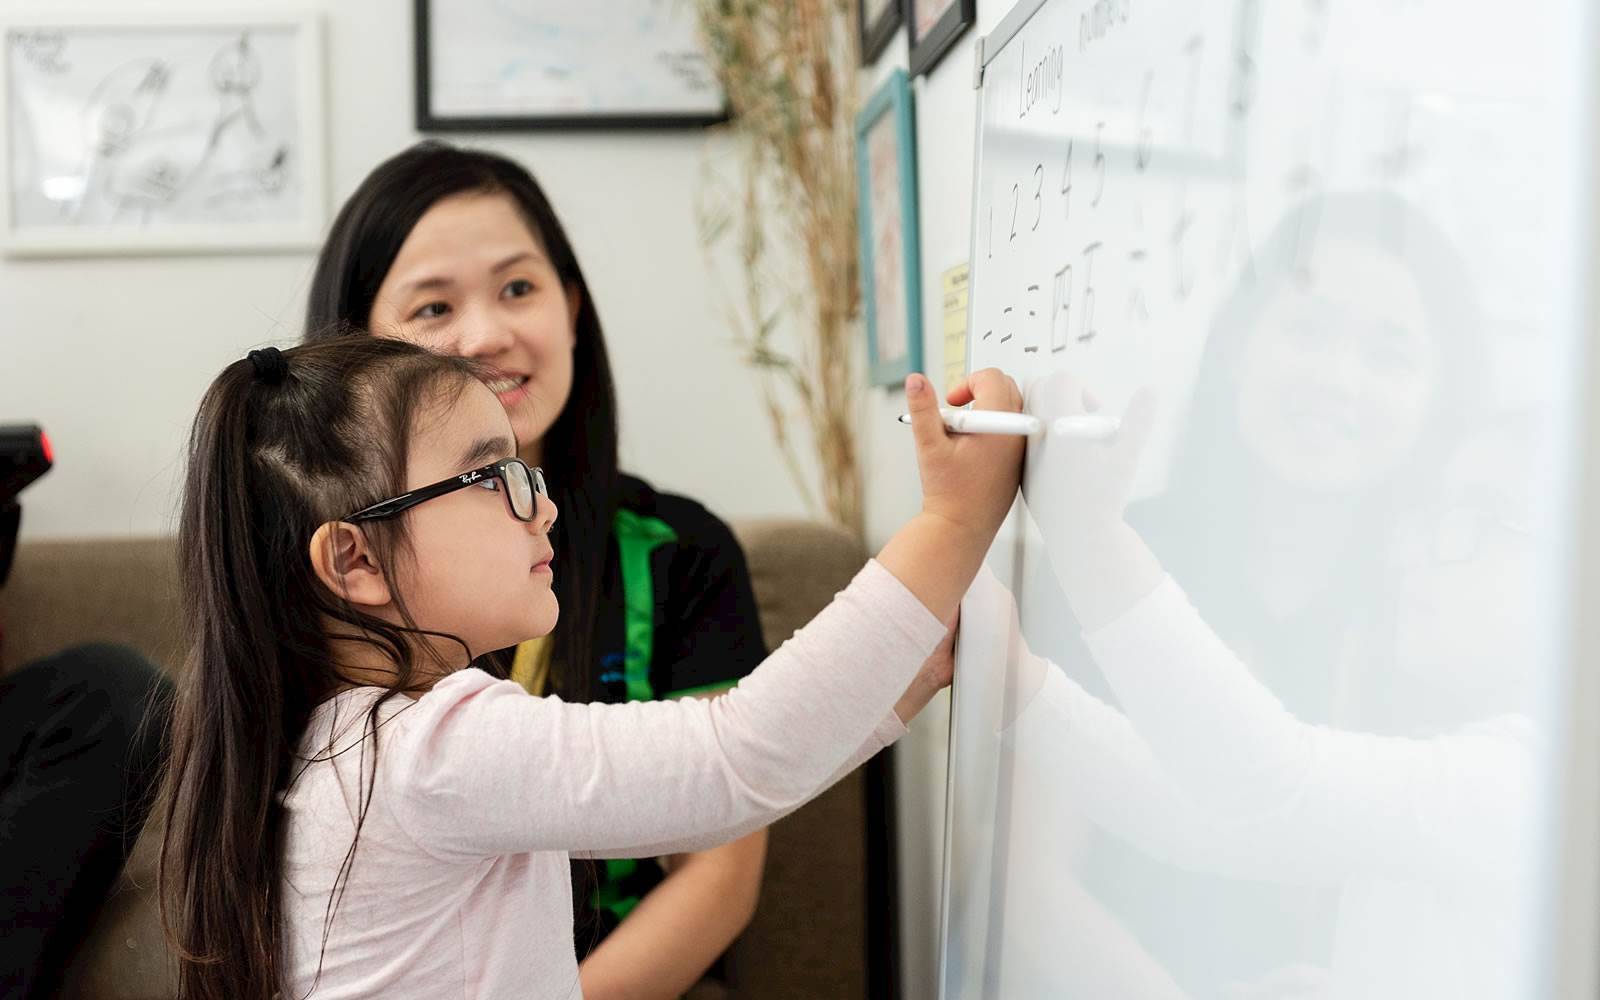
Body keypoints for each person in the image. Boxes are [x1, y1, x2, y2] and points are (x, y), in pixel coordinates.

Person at [155, 336, 1023, 1000]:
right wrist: (951, 522)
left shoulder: (344, 749)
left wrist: (895, 685)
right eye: (494, 476)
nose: (546, 505)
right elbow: (740, 757)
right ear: (355, 563)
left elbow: (723, 788)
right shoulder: (429, 751)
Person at [302, 142, 773, 992]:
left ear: (573, 309)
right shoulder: (327, 579)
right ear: (354, 351)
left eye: (519, 288)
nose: (486, 335)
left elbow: (720, 870)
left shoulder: (680, 549)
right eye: (434, 306)